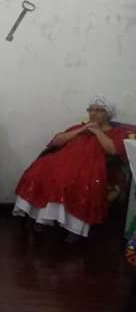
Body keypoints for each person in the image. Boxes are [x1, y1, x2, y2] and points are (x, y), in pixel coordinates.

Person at [13, 96, 130, 242]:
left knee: (69, 179)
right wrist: (81, 129)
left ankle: (74, 228)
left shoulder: (116, 132)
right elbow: (55, 141)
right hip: (62, 161)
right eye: (90, 110)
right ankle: (40, 219)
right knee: (37, 172)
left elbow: (113, 150)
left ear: (108, 114)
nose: (93, 113)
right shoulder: (79, 127)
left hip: (90, 166)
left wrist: (97, 131)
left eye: (98, 110)